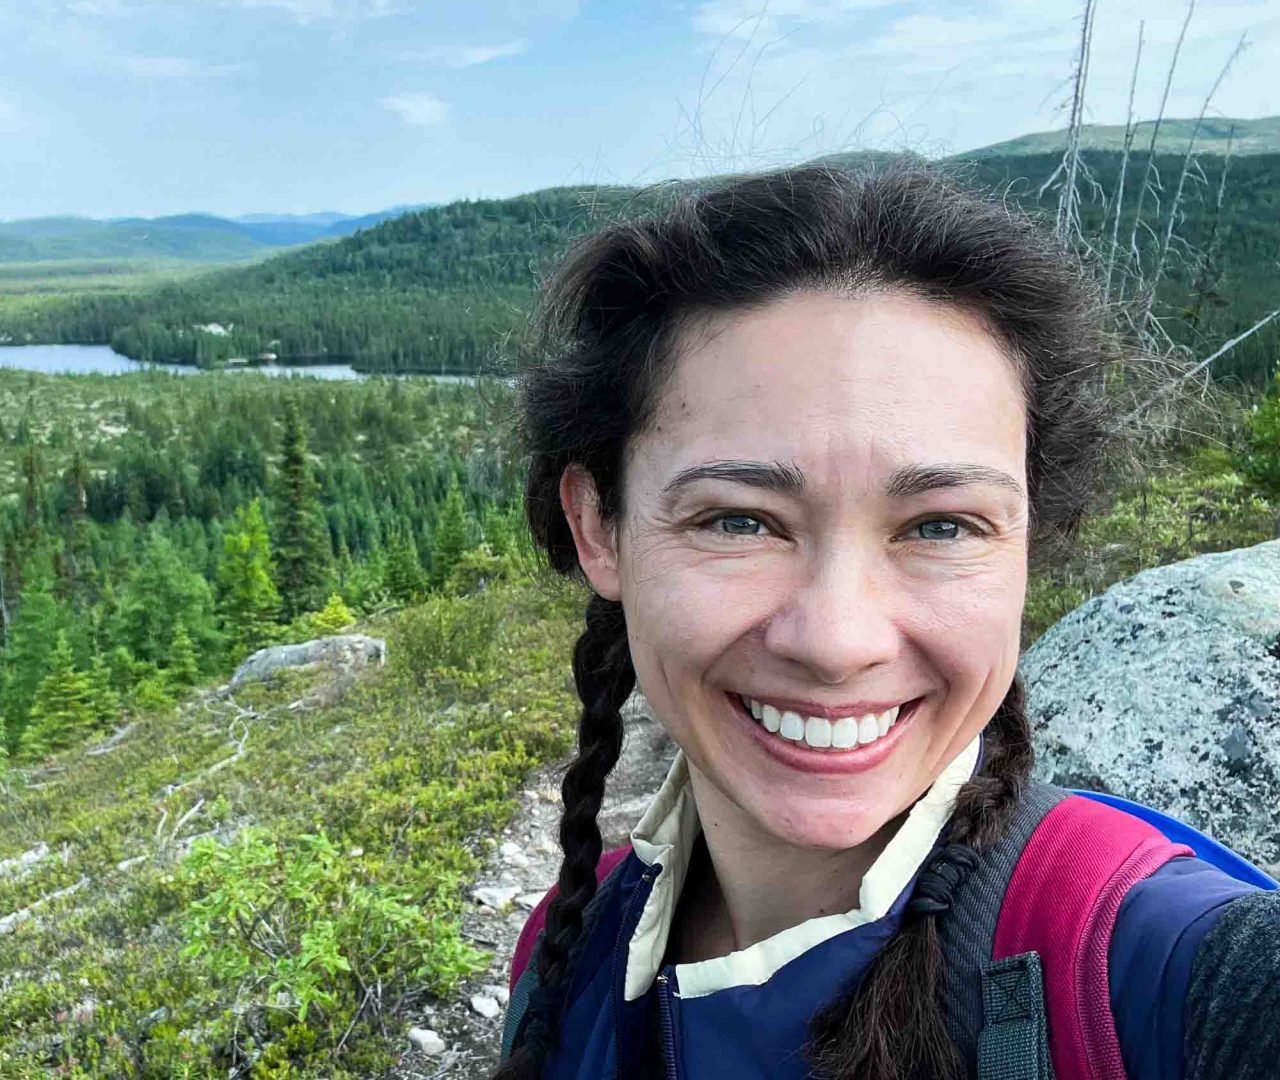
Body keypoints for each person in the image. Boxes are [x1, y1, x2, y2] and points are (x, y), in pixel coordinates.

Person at [491, 159, 1280, 1080]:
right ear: (600, 529)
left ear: (1033, 536)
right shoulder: (567, 948)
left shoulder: (1152, 965)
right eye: (739, 520)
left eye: (941, 525)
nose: (838, 641)